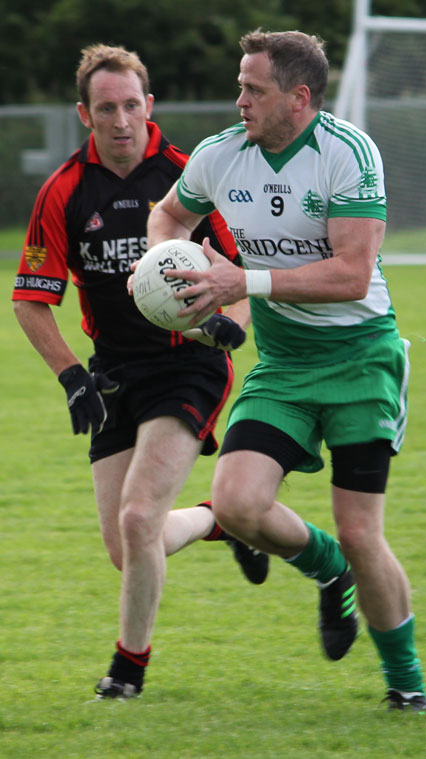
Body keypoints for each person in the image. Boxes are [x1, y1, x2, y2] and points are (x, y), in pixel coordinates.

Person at [141, 30, 426, 712]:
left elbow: (353, 273)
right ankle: (330, 573)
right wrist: (159, 265)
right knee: (237, 505)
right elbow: (169, 215)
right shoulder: (221, 155)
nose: (239, 100)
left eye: (253, 89)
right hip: (286, 363)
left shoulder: (348, 153)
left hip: (361, 358)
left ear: (298, 98)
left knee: (363, 531)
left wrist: (244, 279)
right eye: (240, 85)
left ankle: (406, 679)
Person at [11, 43, 271, 701]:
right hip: (115, 373)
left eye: (131, 105)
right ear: (84, 114)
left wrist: (229, 319)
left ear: (149, 105)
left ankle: (128, 669)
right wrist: (73, 375)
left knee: (137, 519)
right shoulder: (65, 189)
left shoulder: (191, 175)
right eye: (106, 108)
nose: (121, 120)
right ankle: (222, 519)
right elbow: (30, 299)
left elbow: (238, 270)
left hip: (189, 364)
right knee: (129, 549)